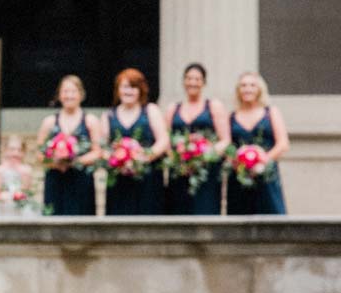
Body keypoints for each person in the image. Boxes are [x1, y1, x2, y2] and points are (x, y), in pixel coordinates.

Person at [164, 63, 231, 215]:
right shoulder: (173, 108)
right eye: (189, 78)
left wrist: (204, 156)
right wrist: (176, 159)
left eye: (197, 79)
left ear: (203, 82)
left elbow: (225, 140)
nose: (192, 82)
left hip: (207, 172)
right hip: (180, 171)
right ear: (183, 81)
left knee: (205, 210)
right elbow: (166, 140)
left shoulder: (213, 106)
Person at [101, 68, 169, 215]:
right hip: (119, 179)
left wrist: (143, 158)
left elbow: (163, 140)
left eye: (133, 87)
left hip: (148, 178)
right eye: (125, 87)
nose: (129, 91)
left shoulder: (150, 110)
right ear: (118, 90)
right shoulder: (109, 115)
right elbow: (102, 147)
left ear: (141, 90)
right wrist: (117, 160)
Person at [36, 75, 101, 215]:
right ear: (59, 95)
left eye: (73, 91)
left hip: (81, 180)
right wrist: (55, 161)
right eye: (65, 91)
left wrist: (74, 161)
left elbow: (97, 152)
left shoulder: (90, 120)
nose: (69, 95)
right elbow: (39, 153)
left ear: (81, 94)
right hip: (55, 179)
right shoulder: (49, 122)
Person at [226, 72, 289, 214]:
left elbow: (283, 143)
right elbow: (227, 147)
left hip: (266, 176)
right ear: (238, 90)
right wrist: (237, 161)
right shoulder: (231, 117)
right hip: (239, 178)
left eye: (252, 85)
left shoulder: (270, 112)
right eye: (243, 85)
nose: (247, 89)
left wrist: (262, 160)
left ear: (259, 89)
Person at [0, 134, 35, 216]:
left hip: (21, 207)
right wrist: (3, 196)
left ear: (24, 152)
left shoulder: (27, 170)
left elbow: (26, 191)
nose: (16, 153)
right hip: (3, 206)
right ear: (5, 151)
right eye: (12, 149)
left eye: (19, 150)